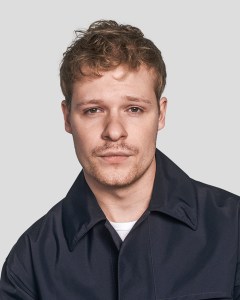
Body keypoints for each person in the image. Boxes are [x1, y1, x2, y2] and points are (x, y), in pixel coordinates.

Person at [0, 19, 240, 300]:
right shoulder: (30, 262)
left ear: (161, 115)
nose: (114, 131)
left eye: (134, 109)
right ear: (67, 118)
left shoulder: (233, 230)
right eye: (93, 110)